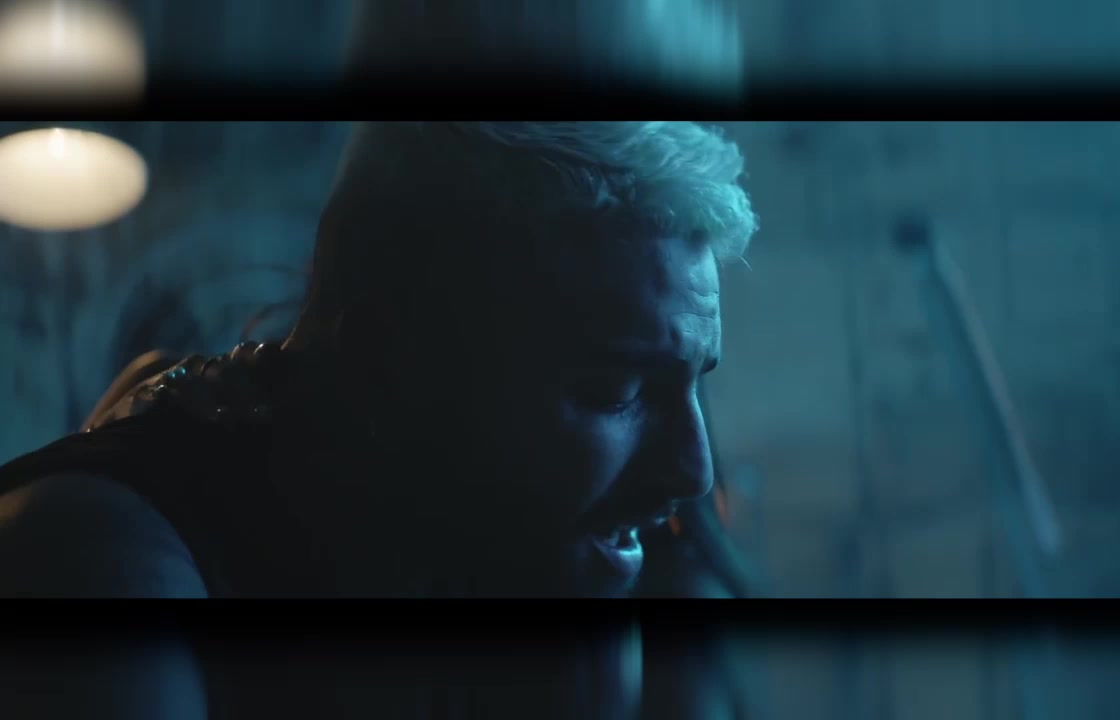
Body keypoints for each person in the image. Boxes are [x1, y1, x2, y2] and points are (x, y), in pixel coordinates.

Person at [0, 121, 760, 718]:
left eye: (693, 385)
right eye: (614, 390)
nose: (692, 469)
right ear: (389, 361)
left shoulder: (526, 553)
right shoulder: (103, 567)